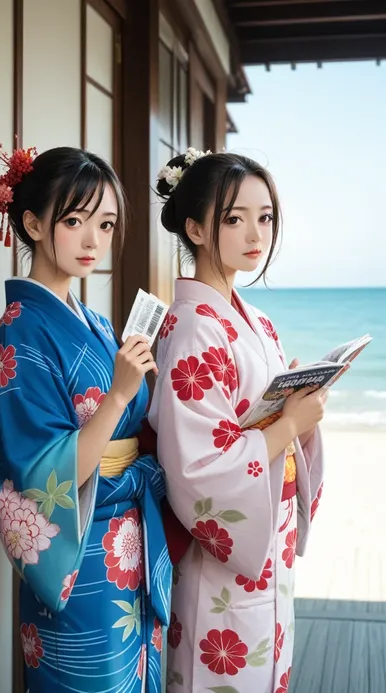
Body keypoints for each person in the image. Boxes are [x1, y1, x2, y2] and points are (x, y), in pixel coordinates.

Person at [0, 144, 171, 693]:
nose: (93, 240)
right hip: (76, 559)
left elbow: (133, 434)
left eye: (105, 224)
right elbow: (44, 478)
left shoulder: (99, 323)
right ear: (33, 223)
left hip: (127, 542)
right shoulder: (19, 333)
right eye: (75, 220)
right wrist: (117, 396)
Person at [149, 149, 325, 693]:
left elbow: (253, 420)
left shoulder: (259, 323)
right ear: (196, 228)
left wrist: (295, 403)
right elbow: (196, 467)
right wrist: (288, 426)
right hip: (221, 558)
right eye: (234, 218)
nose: (256, 232)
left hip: (264, 542)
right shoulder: (193, 329)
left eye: (265, 216)